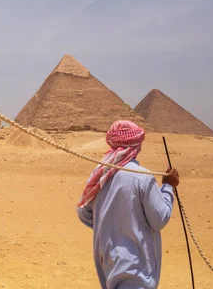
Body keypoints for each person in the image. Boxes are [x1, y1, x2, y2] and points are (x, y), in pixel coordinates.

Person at [76, 120, 180, 289]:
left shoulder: (98, 177)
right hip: (136, 271)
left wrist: (107, 223)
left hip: (108, 266)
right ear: (136, 146)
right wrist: (168, 187)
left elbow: (83, 213)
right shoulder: (142, 177)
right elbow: (160, 219)